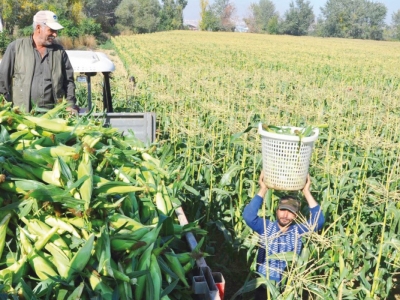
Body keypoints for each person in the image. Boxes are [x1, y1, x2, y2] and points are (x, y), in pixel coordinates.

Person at [243, 172, 325, 299]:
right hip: (265, 283)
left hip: (288, 284)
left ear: (296, 215)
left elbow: (319, 221)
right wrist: (263, 189)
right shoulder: (266, 227)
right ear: (277, 210)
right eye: (282, 210)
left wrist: (306, 191)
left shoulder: (298, 231)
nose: (285, 215)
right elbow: (248, 216)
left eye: (290, 212)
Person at [0, 10, 78, 113]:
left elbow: (69, 82)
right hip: (22, 117)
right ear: (38, 28)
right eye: (51, 30)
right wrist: (4, 107)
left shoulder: (59, 51)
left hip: (53, 117)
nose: (55, 34)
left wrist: (70, 105)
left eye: (56, 31)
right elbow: (2, 81)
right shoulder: (16, 48)